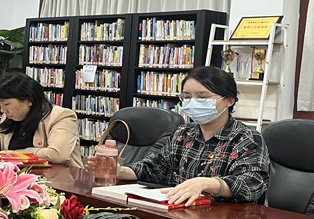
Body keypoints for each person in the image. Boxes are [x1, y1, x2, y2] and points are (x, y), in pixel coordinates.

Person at [87, 66, 269, 206]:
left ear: (229, 100)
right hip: (183, 213)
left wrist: (207, 184)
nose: (193, 102)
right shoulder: (184, 133)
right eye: (187, 97)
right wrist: (120, 171)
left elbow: (252, 184)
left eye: (202, 97)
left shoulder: (247, 139)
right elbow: (155, 167)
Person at [0, 72, 83, 167]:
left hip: (59, 180)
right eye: (0, 104)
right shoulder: (10, 116)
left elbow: (57, 154)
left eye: (6, 104)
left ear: (28, 100)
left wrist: (16, 154)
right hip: (17, 176)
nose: (2, 110)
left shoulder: (61, 116)